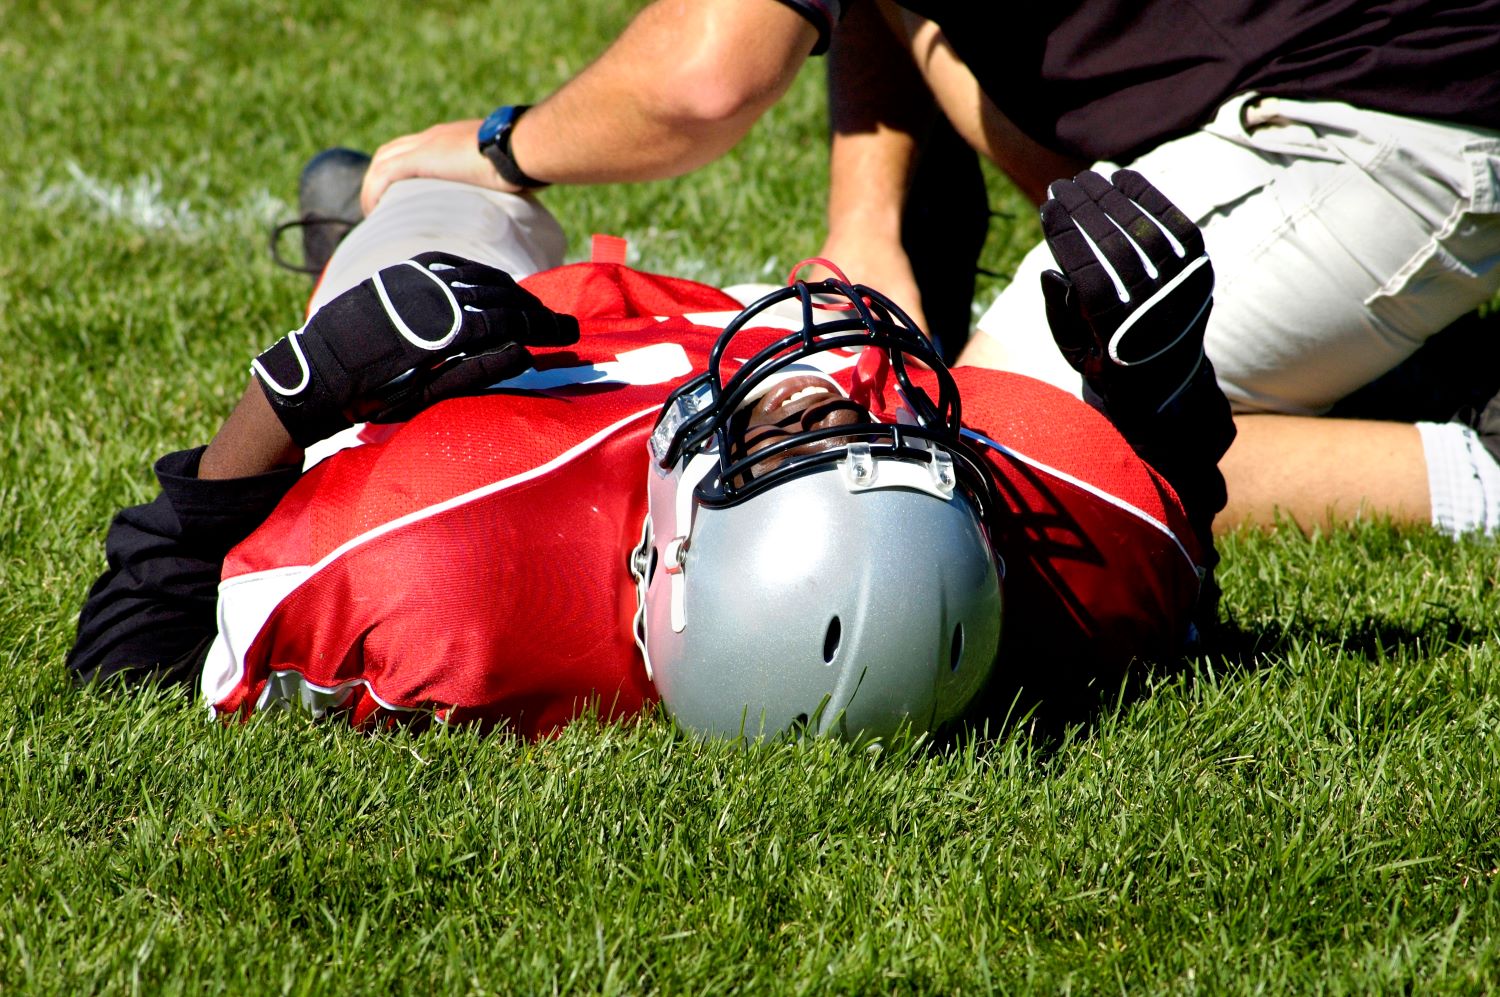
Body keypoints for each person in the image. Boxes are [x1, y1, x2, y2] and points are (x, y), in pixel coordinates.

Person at [70, 168, 1231, 739]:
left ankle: (376, 203)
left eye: (795, 435)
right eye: (878, 433)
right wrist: (1163, 385)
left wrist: (302, 383)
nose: (843, 393)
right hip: (720, 326)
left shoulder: (440, 562)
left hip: (509, 347)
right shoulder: (993, 548)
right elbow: (1167, 559)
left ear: (673, 565)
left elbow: (129, 661)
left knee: (447, 208)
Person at [348, 0, 1500, 539]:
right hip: (1342, 93)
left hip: (1381, 115)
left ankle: (1477, 466)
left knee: (1007, 446)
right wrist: (865, 224)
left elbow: (699, 77)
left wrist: (501, 146)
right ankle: (1409, 366)